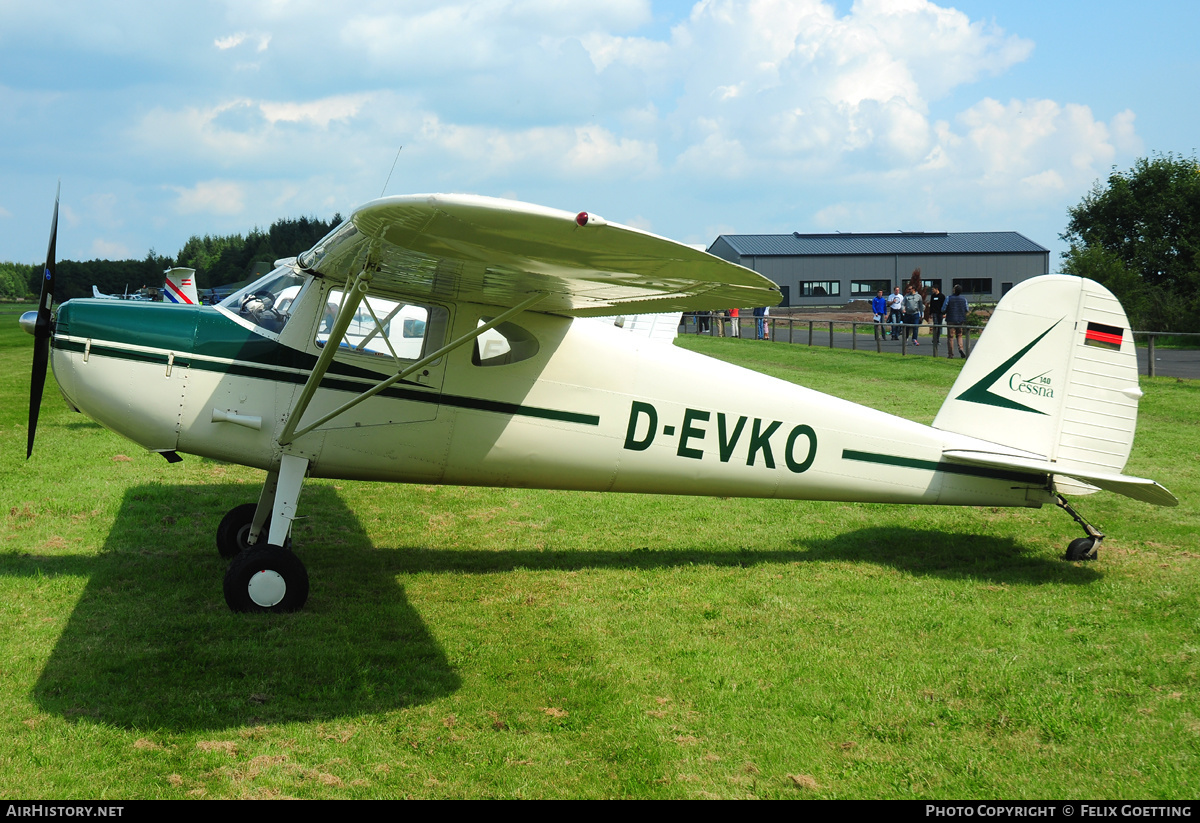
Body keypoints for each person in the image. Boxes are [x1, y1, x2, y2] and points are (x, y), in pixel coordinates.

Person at [944, 285, 969, 358]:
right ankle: (961, 348)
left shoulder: (949, 298)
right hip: (960, 319)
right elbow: (967, 309)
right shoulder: (964, 299)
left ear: (954, 290)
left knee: (950, 337)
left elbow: (943, 308)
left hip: (951, 319)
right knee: (959, 335)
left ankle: (950, 354)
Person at [927, 285, 946, 350]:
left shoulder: (942, 296)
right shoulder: (933, 296)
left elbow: (944, 305)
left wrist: (944, 313)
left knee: (939, 326)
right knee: (935, 325)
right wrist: (930, 313)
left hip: (940, 313)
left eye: (933, 289)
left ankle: (937, 339)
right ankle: (934, 339)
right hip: (934, 313)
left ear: (936, 289)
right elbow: (931, 305)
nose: (932, 291)